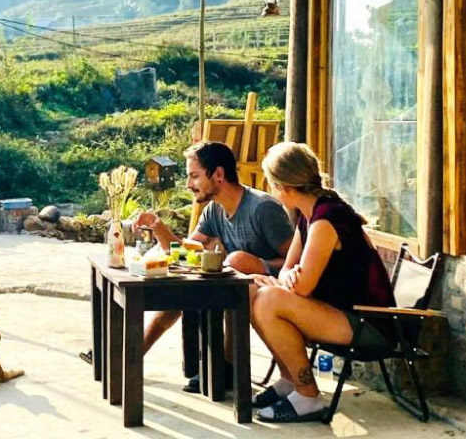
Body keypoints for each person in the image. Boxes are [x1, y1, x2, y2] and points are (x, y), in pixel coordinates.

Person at [249, 142, 395, 423]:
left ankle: (307, 397)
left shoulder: (327, 219)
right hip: (341, 316)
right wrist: (289, 275)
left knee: (268, 299)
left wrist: (292, 278)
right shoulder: (309, 217)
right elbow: (288, 274)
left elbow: (301, 286)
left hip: (370, 324)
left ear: (283, 187)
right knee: (253, 290)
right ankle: (290, 379)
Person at [134, 140, 294, 392]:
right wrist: (159, 229)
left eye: (194, 176)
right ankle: (131, 357)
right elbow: (187, 254)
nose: (188, 185)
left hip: (274, 291)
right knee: (181, 291)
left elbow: (297, 260)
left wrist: (256, 264)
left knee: (235, 267)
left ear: (218, 174)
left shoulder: (263, 209)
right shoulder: (213, 212)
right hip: (238, 287)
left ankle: (227, 367)